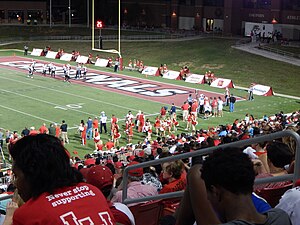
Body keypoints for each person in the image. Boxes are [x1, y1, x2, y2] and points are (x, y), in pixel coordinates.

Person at [9, 134, 116, 225]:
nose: (15, 183)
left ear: (32, 174)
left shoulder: (28, 214)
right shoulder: (93, 191)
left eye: (16, 176)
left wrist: (10, 216)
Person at [175, 147, 292, 225]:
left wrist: (194, 173)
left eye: (207, 195)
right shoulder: (281, 217)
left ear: (216, 192)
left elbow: (196, 173)